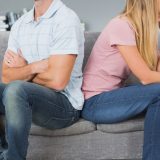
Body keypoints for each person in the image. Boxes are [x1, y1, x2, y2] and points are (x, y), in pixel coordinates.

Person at [0, 0, 84, 159]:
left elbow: (57, 82)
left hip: (65, 105)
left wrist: (23, 69)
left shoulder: (65, 20)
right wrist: (33, 67)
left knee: (16, 89)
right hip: (28, 96)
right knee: (12, 88)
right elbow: (6, 76)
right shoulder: (20, 24)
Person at [82, 0, 160, 159]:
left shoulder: (143, 32)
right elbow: (145, 78)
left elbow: (156, 77)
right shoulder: (121, 25)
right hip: (95, 103)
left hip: (112, 99)